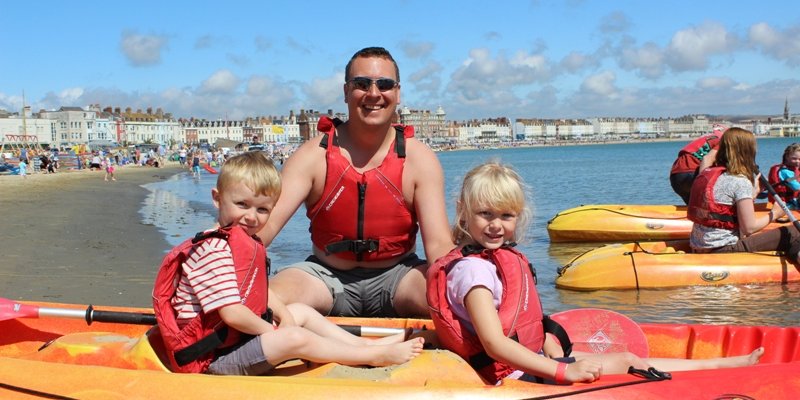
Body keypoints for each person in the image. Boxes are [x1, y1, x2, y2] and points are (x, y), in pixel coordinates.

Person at [428, 161, 765, 385]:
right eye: (485, 213)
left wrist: (546, 340)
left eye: (505, 215)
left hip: (528, 361)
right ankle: (720, 371)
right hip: (510, 377)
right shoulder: (473, 272)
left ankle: (723, 365)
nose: (495, 225)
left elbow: (513, 322)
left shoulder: (491, 261)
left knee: (628, 357)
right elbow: (494, 343)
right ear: (463, 211)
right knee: (628, 363)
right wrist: (564, 370)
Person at [152, 151, 424, 375]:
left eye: (262, 209)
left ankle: (361, 345)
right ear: (217, 198)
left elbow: (257, 291)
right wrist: (274, 330)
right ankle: (372, 356)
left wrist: (285, 315)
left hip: (232, 342)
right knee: (295, 337)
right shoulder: (212, 250)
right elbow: (233, 314)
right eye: (241, 204)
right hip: (210, 360)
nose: (251, 217)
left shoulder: (238, 243)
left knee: (299, 311)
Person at [257, 46, 452, 318]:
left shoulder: (419, 159)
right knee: (262, 302)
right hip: (324, 277)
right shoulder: (312, 157)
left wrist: (465, 284)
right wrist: (219, 250)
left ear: (397, 93)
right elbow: (264, 227)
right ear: (346, 91)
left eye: (384, 84)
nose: (373, 94)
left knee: (451, 303)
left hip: (400, 278)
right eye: (361, 84)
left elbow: (439, 245)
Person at [688, 128, 800, 260]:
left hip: (698, 244)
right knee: (792, 232)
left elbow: (728, 205)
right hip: (723, 249)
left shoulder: (707, 173)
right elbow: (749, 228)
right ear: (748, 151)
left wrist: (752, 195)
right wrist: (775, 214)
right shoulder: (740, 181)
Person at [669, 124, 727, 204]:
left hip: (675, 175)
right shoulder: (722, 140)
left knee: (694, 207)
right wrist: (703, 184)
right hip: (692, 173)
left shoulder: (706, 138)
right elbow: (707, 159)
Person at [767, 143, 800, 210]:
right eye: (794, 158)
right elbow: (797, 187)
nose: (797, 161)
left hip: (790, 201)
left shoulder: (792, 169)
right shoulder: (785, 172)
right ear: (787, 156)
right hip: (787, 204)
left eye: (799, 159)